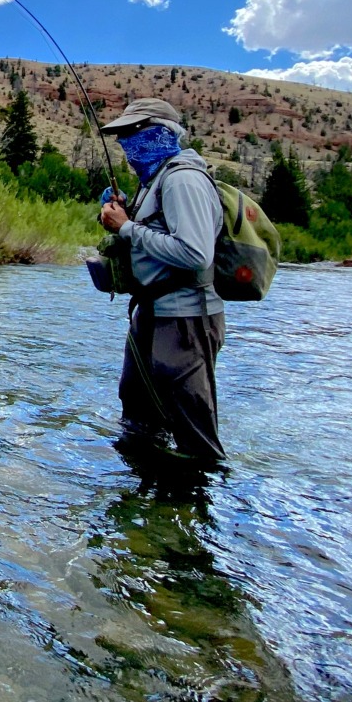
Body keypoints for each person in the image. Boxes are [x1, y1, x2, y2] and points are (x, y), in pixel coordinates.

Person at [97, 98, 226, 463]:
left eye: (130, 134)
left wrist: (126, 228)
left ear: (158, 133)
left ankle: (194, 504)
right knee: (139, 418)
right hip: (152, 313)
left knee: (193, 432)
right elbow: (149, 235)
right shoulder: (153, 181)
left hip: (185, 319)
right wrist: (123, 216)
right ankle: (146, 501)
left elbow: (195, 254)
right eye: (121, 136)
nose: (124, 144)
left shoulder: (183, 180)